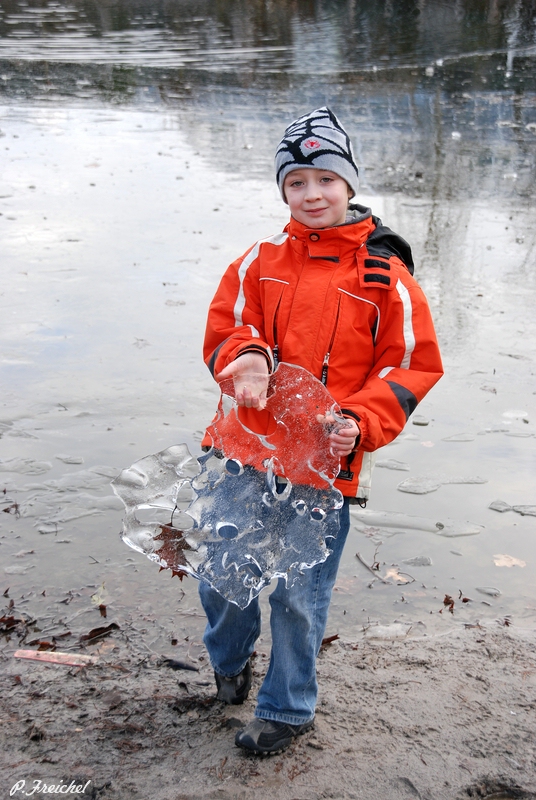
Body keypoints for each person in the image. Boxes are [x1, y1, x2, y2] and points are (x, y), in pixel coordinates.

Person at [199, 107, 443, 755]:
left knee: (299, 596)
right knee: (223, 572)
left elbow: (412, 365)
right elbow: (229, 329)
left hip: (324, 467)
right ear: (283, 190)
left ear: (349, 184)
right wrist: (246, 359)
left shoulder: (384, 276)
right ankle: (228, 664)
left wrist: (361, 420)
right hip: (240, 449)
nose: (312, 195)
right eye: (297, 182)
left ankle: (287, 709)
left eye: (325, 180)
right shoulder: (258, 261)